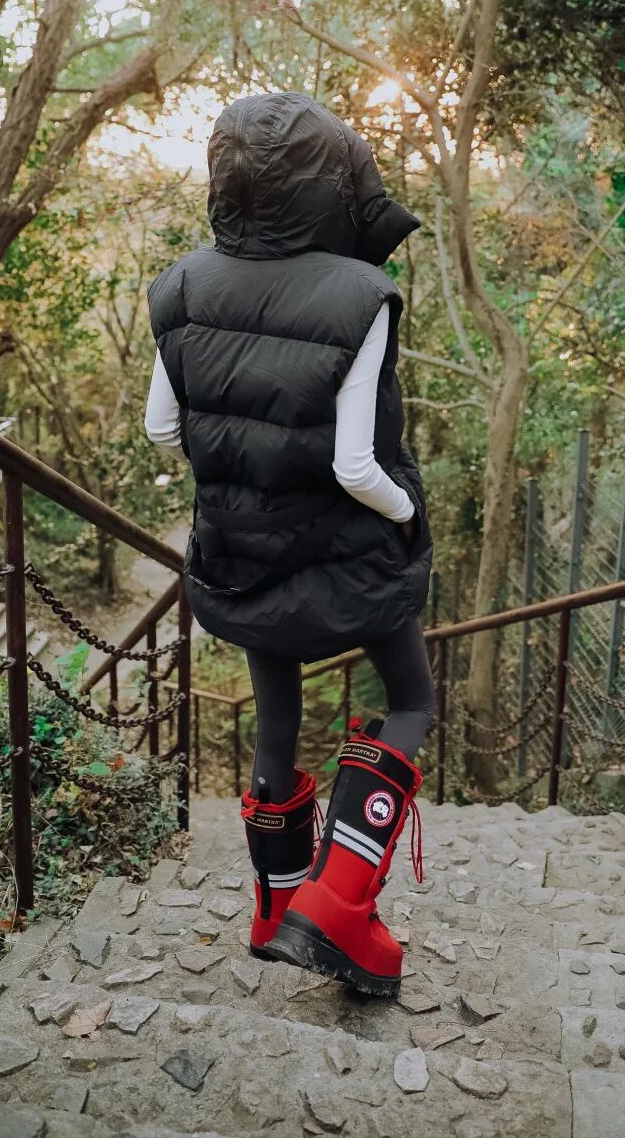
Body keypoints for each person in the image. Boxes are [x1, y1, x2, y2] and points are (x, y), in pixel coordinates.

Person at [144, 90, 434, 998]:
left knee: (275, 722)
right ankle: (339, 901)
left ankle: (275, 911)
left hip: (241, 552)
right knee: (411, 701)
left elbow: (162, 429)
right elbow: (356, 465)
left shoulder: (181, 286)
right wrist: (405, 513)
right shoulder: (361, 294)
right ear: (327, 183)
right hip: (350, 555)